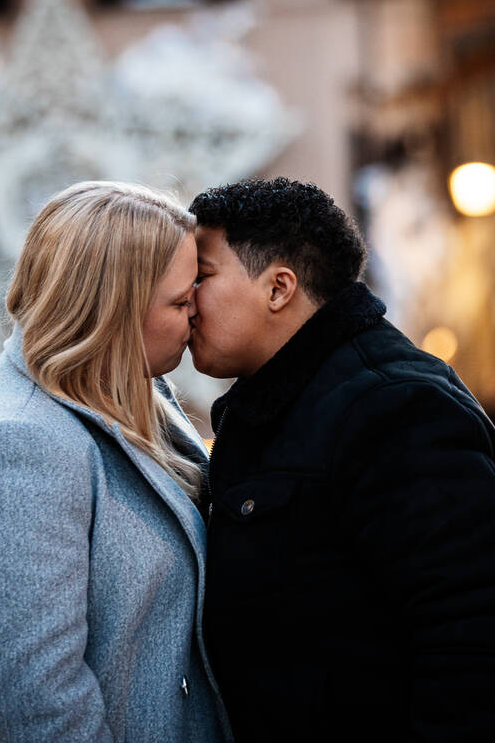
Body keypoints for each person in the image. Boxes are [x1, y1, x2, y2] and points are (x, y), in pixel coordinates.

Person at [188, 176, 495, 742]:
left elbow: (470, 632)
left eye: (202, 276)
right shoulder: (278, 403)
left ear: (278, 288)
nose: (186, 299)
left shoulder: (394, 405)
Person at [0, 181, 233, 743]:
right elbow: (39, 709)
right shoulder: (20, 448)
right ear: (113, 309)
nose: (197, 313)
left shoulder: (133, 389)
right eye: (179, 300)